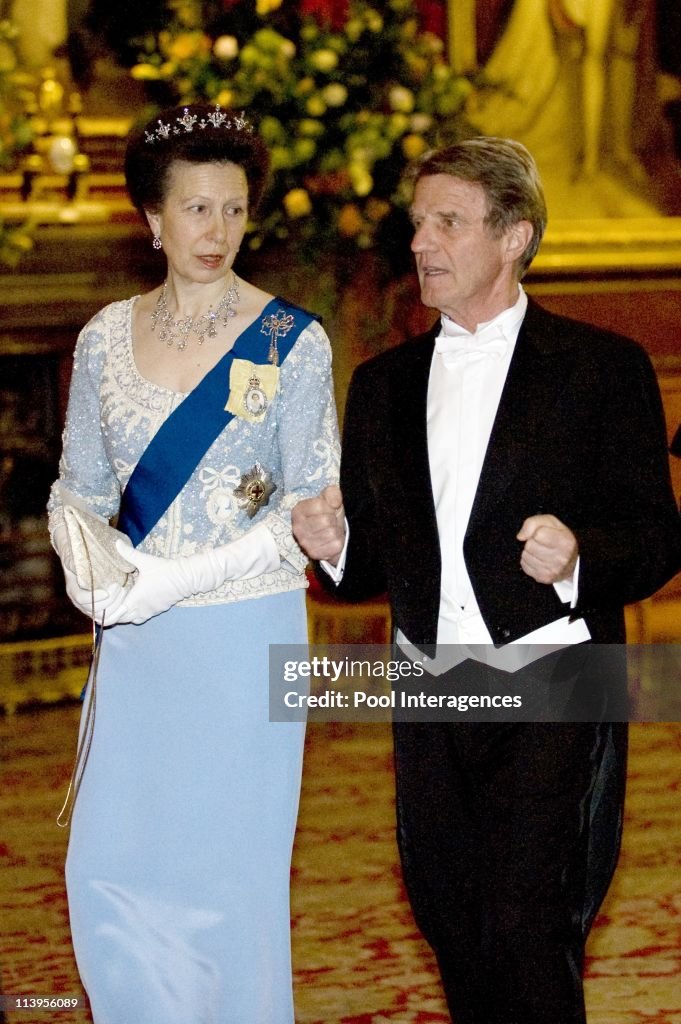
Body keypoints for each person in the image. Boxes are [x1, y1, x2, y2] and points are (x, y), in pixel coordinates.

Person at [291, 137, 681, 1023]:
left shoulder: (600, 367)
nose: (422, 243)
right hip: (430, 681)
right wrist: (335, 544)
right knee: (450, 919)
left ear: (514, 237)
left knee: (527, 920)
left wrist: (580, 557)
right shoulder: (382, 385)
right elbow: (375, 567)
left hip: (553, 672)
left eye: (449, 223)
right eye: (417, 222)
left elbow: (656, 537)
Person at [47, 102, 340, 1024]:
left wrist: (163, 583)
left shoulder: (290, 342)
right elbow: (76, 487)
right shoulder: (102, 336)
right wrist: (83, 568)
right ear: (152, 220)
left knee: (227, 883)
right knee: (111, 867)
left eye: (235, 209)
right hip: (137, 647)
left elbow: (309, 510)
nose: (217, 232)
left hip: (244, 639)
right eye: (196, 209)